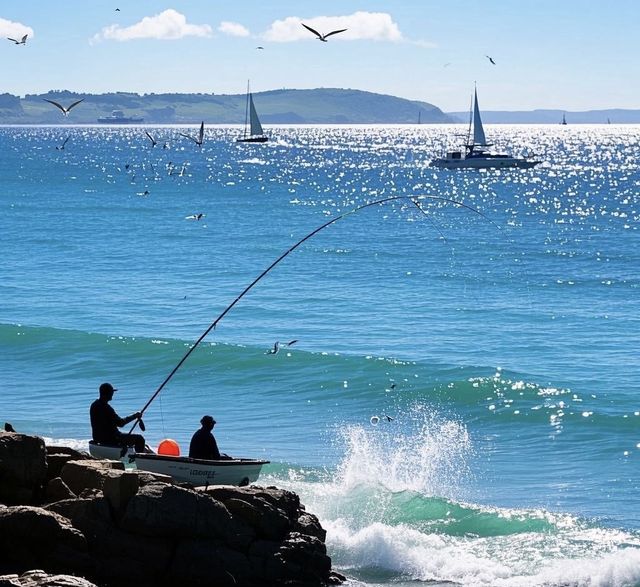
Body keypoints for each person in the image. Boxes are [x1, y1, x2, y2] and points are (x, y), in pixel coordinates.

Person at [90, 382, 146, 452]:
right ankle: (139, 460)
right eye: (111, 392)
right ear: (108, 393)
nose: (112, 394)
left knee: (128, 438)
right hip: (112, 438)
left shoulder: (94, 405)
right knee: (140, 439)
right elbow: (120, 423)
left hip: (98, 438)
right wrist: (135, 416)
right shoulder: (106, 408)